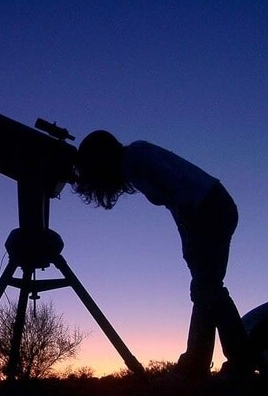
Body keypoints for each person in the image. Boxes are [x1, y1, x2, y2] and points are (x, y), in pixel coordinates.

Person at [71, 130, 251, 383]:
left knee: (207, 288)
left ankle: (214, 364)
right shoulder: (134, 160)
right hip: (212, 210)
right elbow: (177, 201)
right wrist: (189, 243)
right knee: (207, 290)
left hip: (211, 211)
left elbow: (181, 196)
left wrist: (192, 239)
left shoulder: (135, 158)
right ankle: (217, 363)